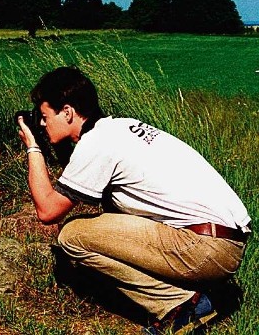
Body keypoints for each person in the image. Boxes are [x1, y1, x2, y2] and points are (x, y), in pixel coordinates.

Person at [16, 66, 251, 334]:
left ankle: (181, 305)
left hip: (206, 249)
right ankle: (201, 291)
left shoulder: (96, 143)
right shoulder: (120, 127)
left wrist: (33, 147)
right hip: (226, 242)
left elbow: (47, 212)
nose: (43, 124)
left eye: (46, 116)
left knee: (72, 234)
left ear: (67, 112)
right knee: (107, 217)